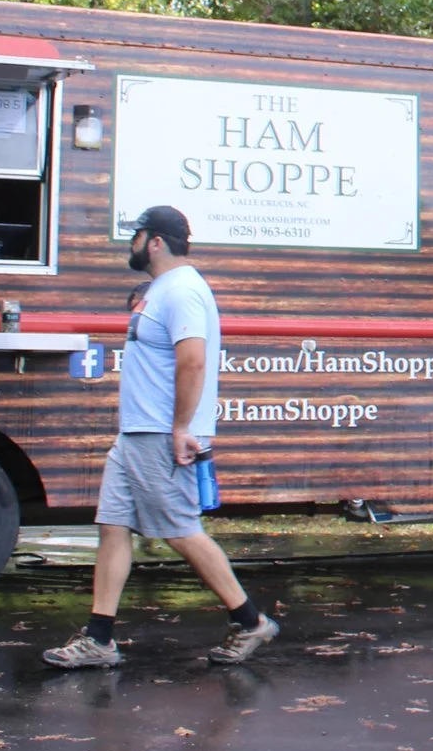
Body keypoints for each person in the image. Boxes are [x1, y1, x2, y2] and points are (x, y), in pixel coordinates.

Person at [44, 205, 277, 668]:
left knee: (181, 531)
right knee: (113, 527)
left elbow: (192, 361)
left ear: (155, 242)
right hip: (135, 434)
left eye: (137, 236)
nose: (130, 244)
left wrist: (180, 429)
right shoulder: (161, 289)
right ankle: (99, 639)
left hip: (160, 435)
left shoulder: (185, 291)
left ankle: (251, 622)